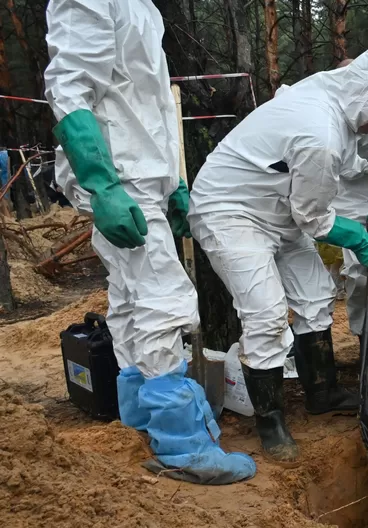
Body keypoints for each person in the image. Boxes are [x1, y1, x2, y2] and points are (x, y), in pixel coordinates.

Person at [44, 0, 255, 484]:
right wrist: (101, 182)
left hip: (142, 174)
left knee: (131, 298)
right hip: (120, 174)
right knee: (164, 298)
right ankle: (183, 447)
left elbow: (152, 102)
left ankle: (141, 414)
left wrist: (173, 183)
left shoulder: (141, 7)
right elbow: (69, 85)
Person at [188, 47, 368, 464]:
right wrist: (362, 240)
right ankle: (270, 420)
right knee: (266, 313)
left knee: (315, 294)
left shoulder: (350, 98)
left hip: (280, 207)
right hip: (231, 209)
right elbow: (313, 217)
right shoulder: (320, 134)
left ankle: (321, 391)